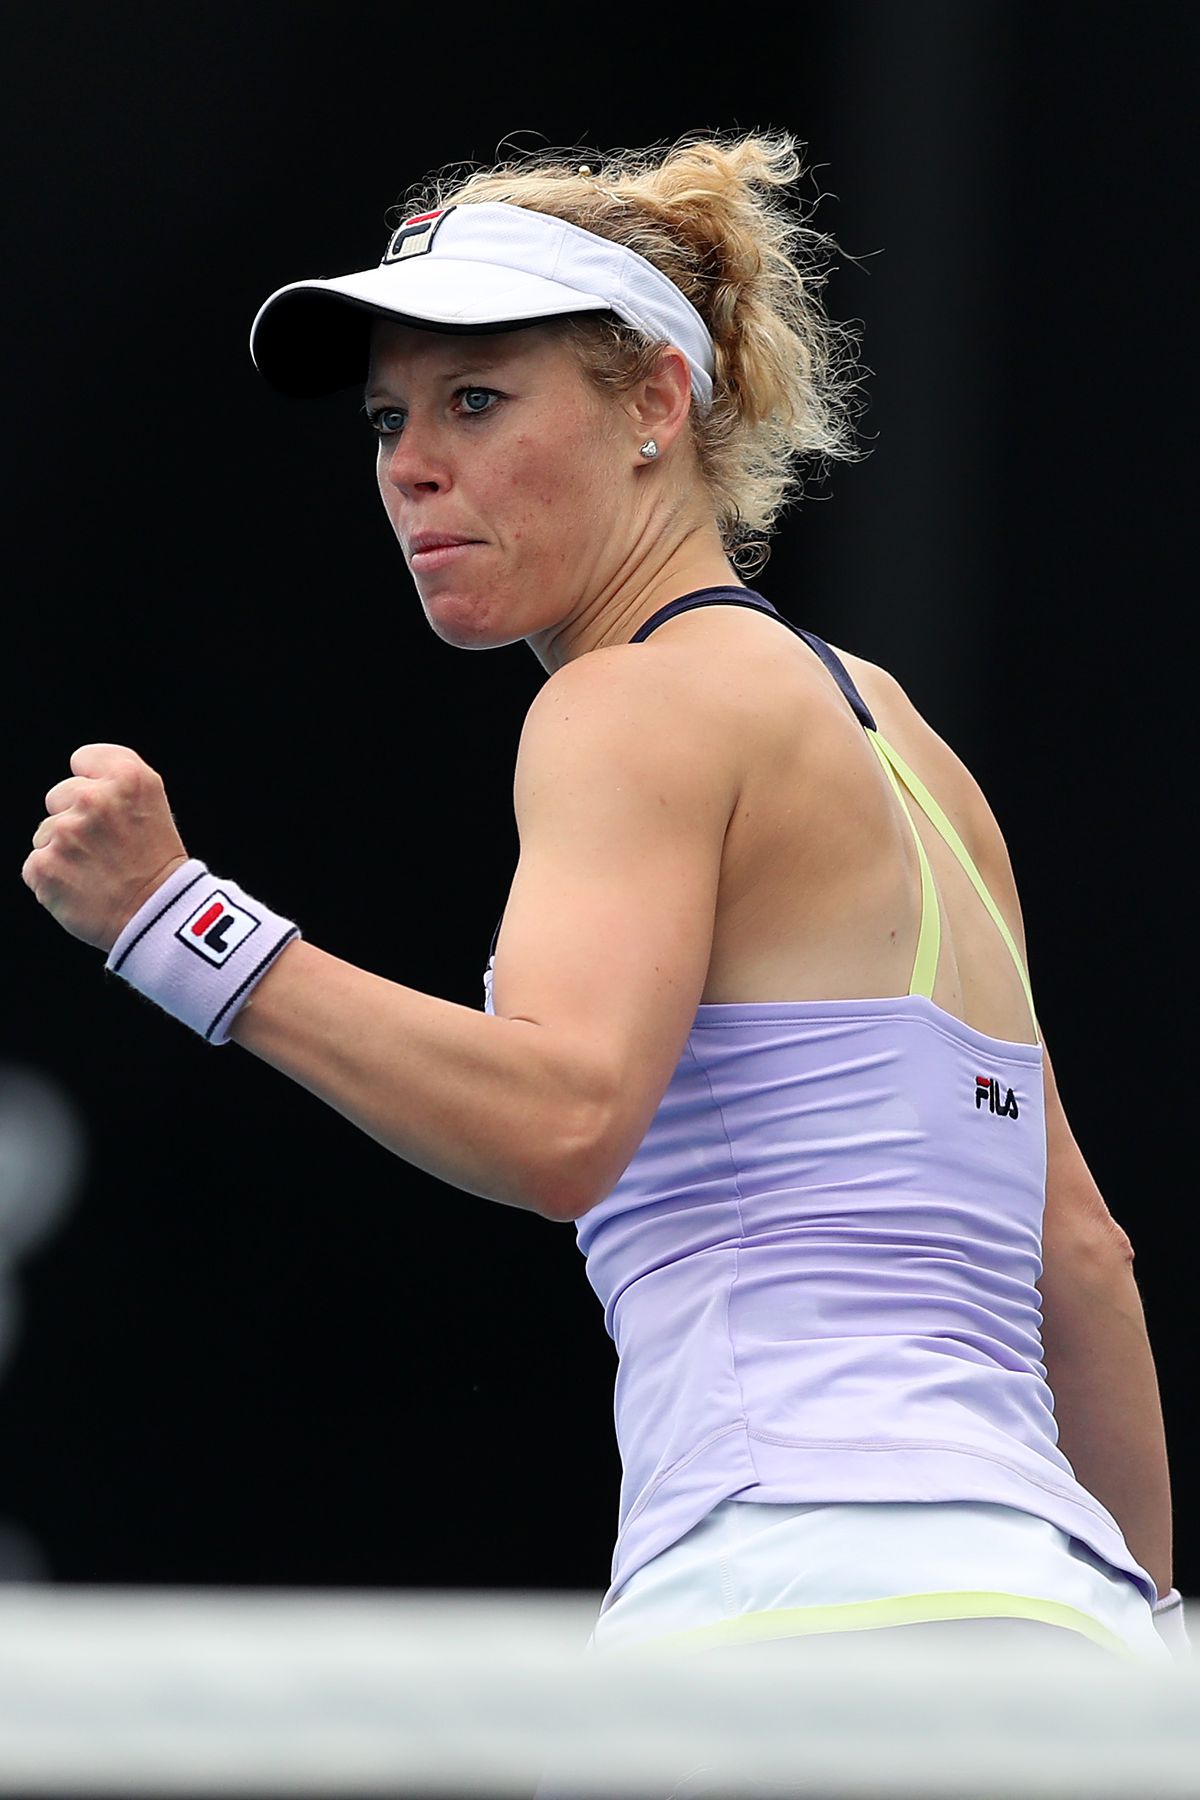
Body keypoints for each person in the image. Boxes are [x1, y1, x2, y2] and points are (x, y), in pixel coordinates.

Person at [22, 134, 1185, 1674]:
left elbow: (567, 1122)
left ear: (656, 403)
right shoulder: (910, 747)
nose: (411, 467)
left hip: (791, 1613)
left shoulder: (623, 708)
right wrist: (1150, 1666)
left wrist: (178, 923)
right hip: (1063, 1629)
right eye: (389, 419)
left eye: (478, 400)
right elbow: (1085, 1260)